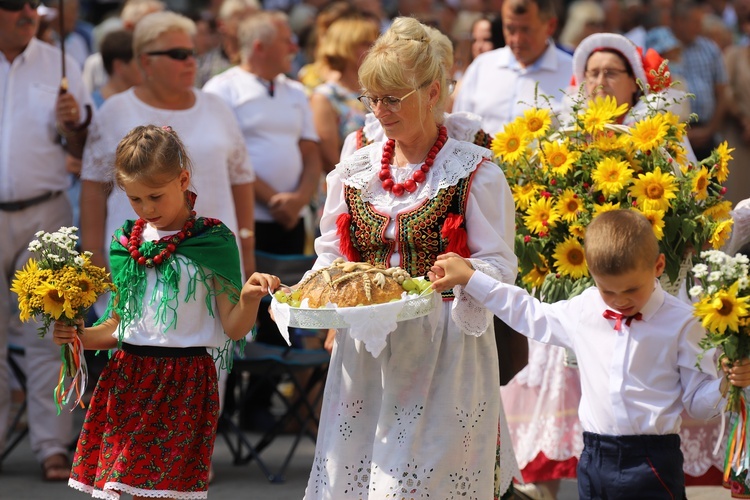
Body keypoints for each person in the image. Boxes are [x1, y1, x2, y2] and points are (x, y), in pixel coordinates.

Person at [303, 17, 518, 499]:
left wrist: (465, 273)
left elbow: (502, 268)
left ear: (433, 92)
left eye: (393, 98)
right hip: (367, 351)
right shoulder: (355, 170)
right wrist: (310, 294)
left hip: (442, 349)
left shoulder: (474, 171)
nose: (380, 110)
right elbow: (331, 253)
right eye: (372, 99)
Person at [430, 209, 750, 499]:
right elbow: (528, 313)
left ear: (659, 266)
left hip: (652, 461)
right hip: (594, 457)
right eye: (608, 290)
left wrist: (726, 382)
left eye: (631, 290)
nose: (620, 300)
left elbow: (697, 402)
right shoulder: (585, 309)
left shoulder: (683, 322)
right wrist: (472, 279)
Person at [53, 125, 279, 500]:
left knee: (162, 494)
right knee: (122, 488)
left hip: (185, 383)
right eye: (135, 199)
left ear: (183, 179)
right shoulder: (127, 243)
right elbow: (116, 326)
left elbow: (234, 328)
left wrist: (251, 298)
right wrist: (77, 335)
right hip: (128, 377)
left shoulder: (213, 240)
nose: (147, 209)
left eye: (155, 196)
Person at [0, 0, 91, 481]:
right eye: (13, 5)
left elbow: (81, 148)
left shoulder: (64, 62)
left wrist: (73, 125)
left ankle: (53, 446)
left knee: (47, 333)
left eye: (32, 5)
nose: (27, 13)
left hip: (46, 213)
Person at [453, 0, 572, 135]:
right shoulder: (481, 67)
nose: (517, 39)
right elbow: (458, 128)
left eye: (526, 30)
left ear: (550, 26)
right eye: (510, 28)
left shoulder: (572, 72)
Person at [309, 15, 379, 174]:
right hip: (345, 191)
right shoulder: (325, 97)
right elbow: (330, 161)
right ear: (346, 47)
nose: (374, 49)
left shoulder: (377, 92)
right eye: (366, 44)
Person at [671, 0, 728, 160]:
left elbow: (722, 93)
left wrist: (710, 129)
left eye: (700, 22)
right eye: (694, 22)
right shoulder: (664, 49)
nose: (699, 27)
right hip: (673, 137)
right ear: (679, 21)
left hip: (707, 132)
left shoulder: (710, 49)